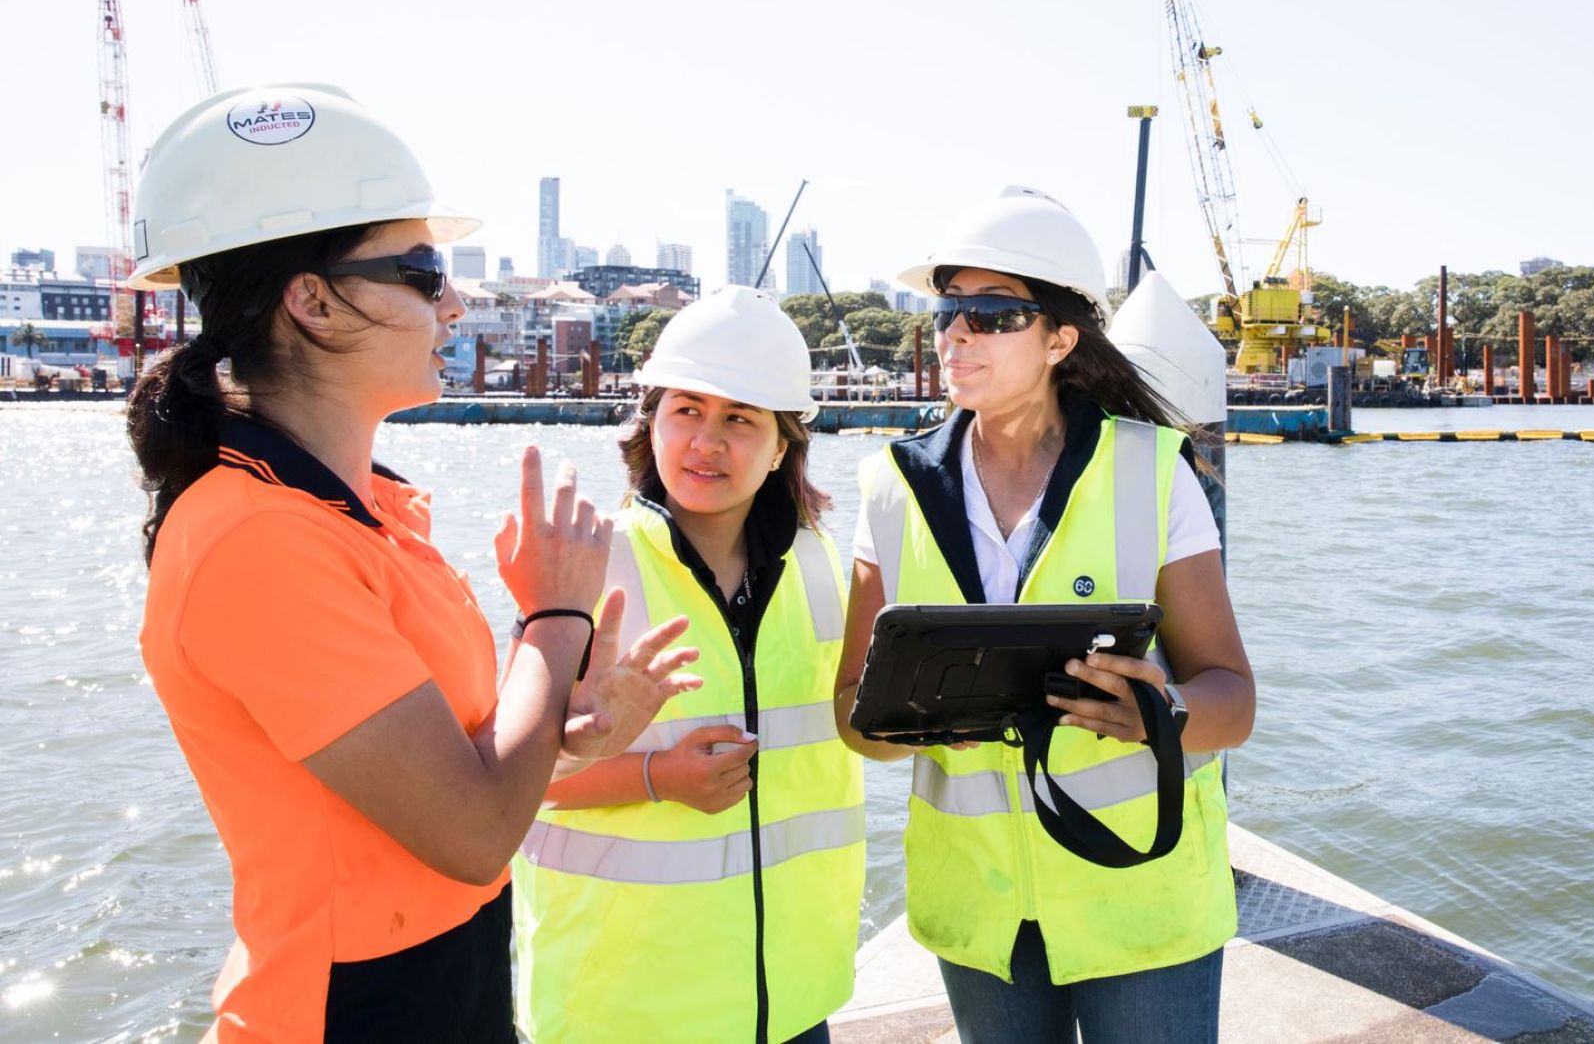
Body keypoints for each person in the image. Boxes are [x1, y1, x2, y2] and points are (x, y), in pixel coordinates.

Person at [127, 84, 699, 1043]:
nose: (457, 301)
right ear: (310, 300)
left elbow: (445, 778)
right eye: (425, 270)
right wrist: (555, 621)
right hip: (347, 1010)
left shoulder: (354, 507)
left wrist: (563, 729)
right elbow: (471, 834)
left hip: (447, 990)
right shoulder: (256, 540)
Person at [834, 187, 1256, 1043]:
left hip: (1139, 899)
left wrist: (1159, 715)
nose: (955, 332)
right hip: (982, 915)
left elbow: (1234, 699)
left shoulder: (1155, 472)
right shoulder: (890, 487)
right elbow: (851, 713)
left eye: (990, 315)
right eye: (947, 309)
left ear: (1061, 338)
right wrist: (909, 726)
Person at [514, 286, 864, 1044]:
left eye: (739, 417)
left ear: (781, 446)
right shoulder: (585, 560)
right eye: (686, 409)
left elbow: (847, 722)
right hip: (625, 1008)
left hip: (795, 997)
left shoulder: (817, 563)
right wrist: (653, 776)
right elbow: (497, 790)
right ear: (651, 422)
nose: (706, 440)